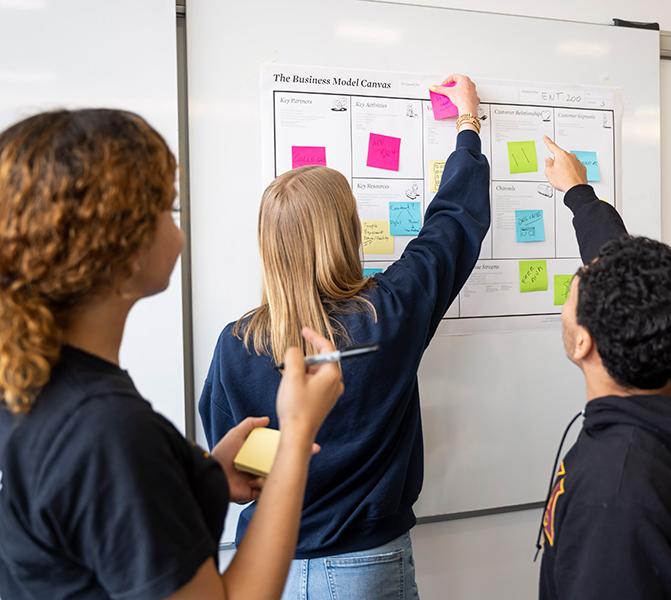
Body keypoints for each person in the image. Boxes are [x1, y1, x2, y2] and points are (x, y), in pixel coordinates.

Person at [0, 109, 344, 599]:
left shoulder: (31, 384)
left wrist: (203, 476)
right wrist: (296, 437)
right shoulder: (106, 431)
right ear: (121, 247)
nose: (177, 227)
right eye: (167, 207)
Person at [198, 74, 489, 598]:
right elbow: (453, 224)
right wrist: (467, 124)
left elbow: (240, 467)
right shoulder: (387, 314)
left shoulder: (235, 344)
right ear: (348, 232)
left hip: (267, 567)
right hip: (366, 566)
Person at [536, 137, 671, 599]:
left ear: (584, 342)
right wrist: (579, 195)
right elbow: (637, 281)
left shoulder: (617, 492)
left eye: (570, 297)